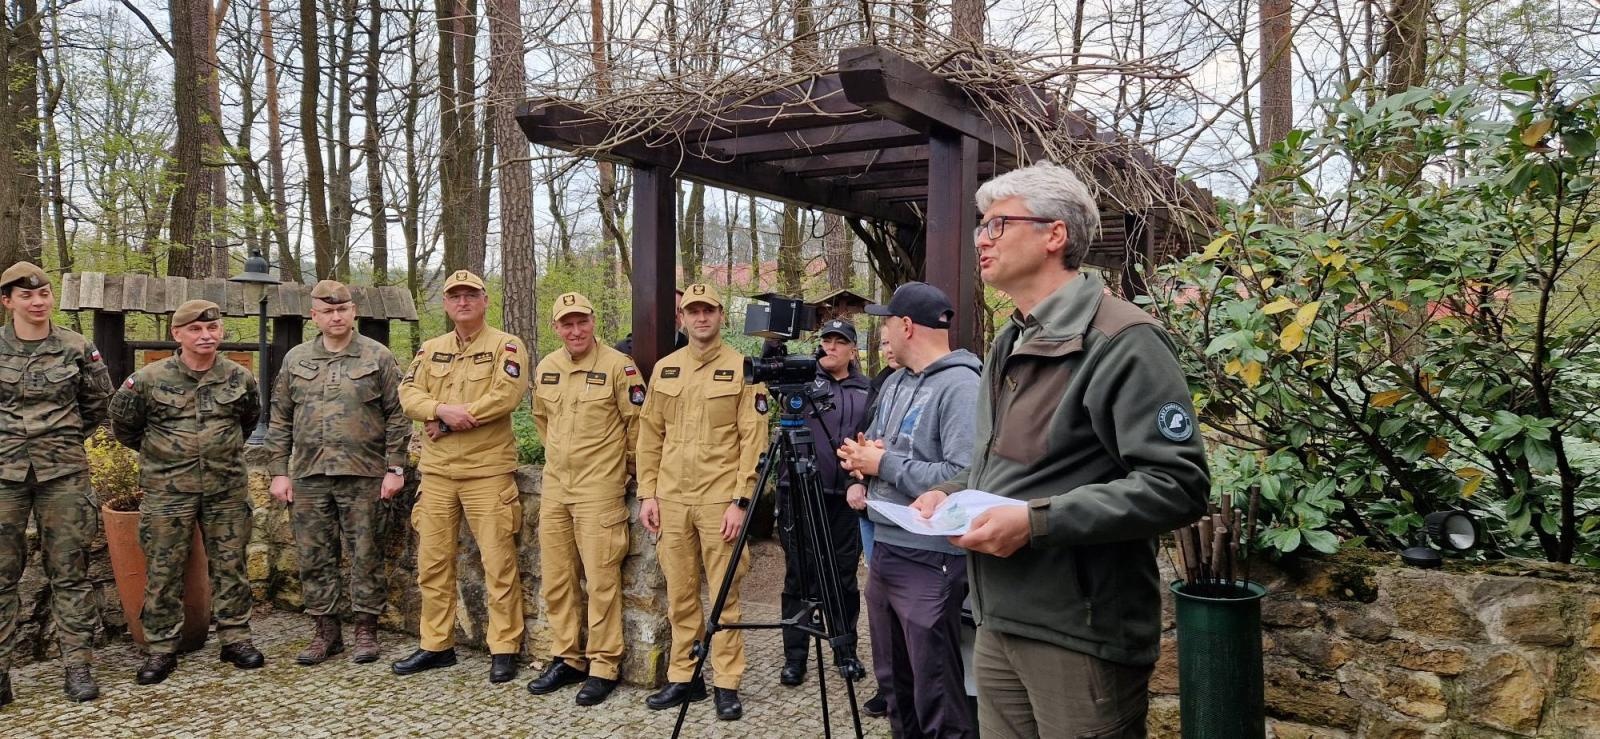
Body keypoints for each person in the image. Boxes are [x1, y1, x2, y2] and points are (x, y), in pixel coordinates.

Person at [913, 162, 1210, 738]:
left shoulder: (1122, 340)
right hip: (999, 618)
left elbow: (1178, 485)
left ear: (1055, 235)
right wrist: (948, 494)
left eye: (998, 225)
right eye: (980, 226)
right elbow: (1003, 466)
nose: (981, 239)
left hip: (1081, 633)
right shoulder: (1010, 339)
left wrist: (1036, 522)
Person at [838, 281, 981, 738]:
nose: (884, 333)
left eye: (887, 323)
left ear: (906, 326)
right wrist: (863, 459)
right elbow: (885, 446)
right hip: (886, 548)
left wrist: (883, 464)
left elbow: (964, 473)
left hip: (932, 558)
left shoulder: (962, 385)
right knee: (894, 684)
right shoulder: (895, 381)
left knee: (935, 688)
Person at [110, 299, 264, 685]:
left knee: (231, 564)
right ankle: (162, 647)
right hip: (168, 490)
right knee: (163, 569)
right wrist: (166, 455)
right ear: (177, 334)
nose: (205, 335)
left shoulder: (239, 378)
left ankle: (235, 638)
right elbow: (125, 427)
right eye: (195, 329)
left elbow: (248, 421)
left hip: (225, 487)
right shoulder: (148, 380)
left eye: (212, 328)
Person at [635, 282, 769, 721]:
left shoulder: (743, 368)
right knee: (681, 595)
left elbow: (754, 441)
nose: (701, 318)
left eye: (708, 310)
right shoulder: (665, 369)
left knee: (725, 597)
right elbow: (650, 435)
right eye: (693, 311)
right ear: (683, 318)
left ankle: (727, 682)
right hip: (672, 500)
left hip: (718, 502)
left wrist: (740, 501)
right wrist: (648, 493)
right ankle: (685, 677)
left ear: (721, 316)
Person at [265, 280, 411, 666]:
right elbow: (280, 418)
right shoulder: (296, 359)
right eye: (327, 311)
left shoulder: (377, 356)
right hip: (309, 474)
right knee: (314, 555)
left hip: (364, 473)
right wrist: (278, 471)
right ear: (314, 315)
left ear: (353, 312)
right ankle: (326, 632)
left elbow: (398, 416)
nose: (336, 316)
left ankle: (366, 630)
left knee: (366, 553)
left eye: (342, 309)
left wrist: (395, 468)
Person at [394, 269, 530, 684]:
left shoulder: (506, 345)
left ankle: (504, 647)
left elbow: (506, 396)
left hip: (486, 471)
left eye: (471, 295)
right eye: (455, 296)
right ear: (446, 304)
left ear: (485, 300)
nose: (463, 302)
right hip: (437, 473)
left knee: (498, 564)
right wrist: (439, 410)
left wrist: (448, 422)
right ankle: (436, 645)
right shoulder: (431, 348)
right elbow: (408, 394)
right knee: (432, 564)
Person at [0, 262, 112, 706]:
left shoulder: (76, 347)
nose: (38, 301)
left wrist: (61, 440)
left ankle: (77, 667)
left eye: (43, 293)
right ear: (8, 301)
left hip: (63, 475)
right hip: (4, 475)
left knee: (70, 572)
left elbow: (98, 402)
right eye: (26, 295)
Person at [526, 292, 643, 707]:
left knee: (601, 581)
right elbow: (542, 420)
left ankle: (604, 664)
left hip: (599, 489)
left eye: (581, 322)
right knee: (558, 579)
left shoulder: (619, 367)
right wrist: (562, 459)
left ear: (593, 322)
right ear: (556, 327)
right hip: (556, 488)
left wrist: (624, 472)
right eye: (567, 323)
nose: (575, 331)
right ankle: (568, 658)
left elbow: (637, 426)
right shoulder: (547, 367)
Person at [776, 319, 870, 688]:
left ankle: (845, 651)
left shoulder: (867, 390)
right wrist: (774, 343)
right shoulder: (803, 380)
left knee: (843, 576)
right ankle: (795, 658)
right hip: (798, 490)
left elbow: (870, 441)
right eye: (827, 340)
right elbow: (774, 380)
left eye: (839, 341)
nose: (831, 346)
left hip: (844, 497)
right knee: (799, 575)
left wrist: (857, 481)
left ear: (852, 349)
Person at [844, 333, 901, 718]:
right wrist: (855, 480)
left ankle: (906, 684)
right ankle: (888, 685)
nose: (889, 349)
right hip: (872, 507)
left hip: (913, 511)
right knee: (879, 598)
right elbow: (859, 440)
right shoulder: (879, 386)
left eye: (893, 341)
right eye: (883, 344)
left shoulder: (945, 383)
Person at [615, 288, 686, 356]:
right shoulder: (623, 350)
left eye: (679, 310)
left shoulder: (688, 347)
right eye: (668, 307)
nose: (675, 314)